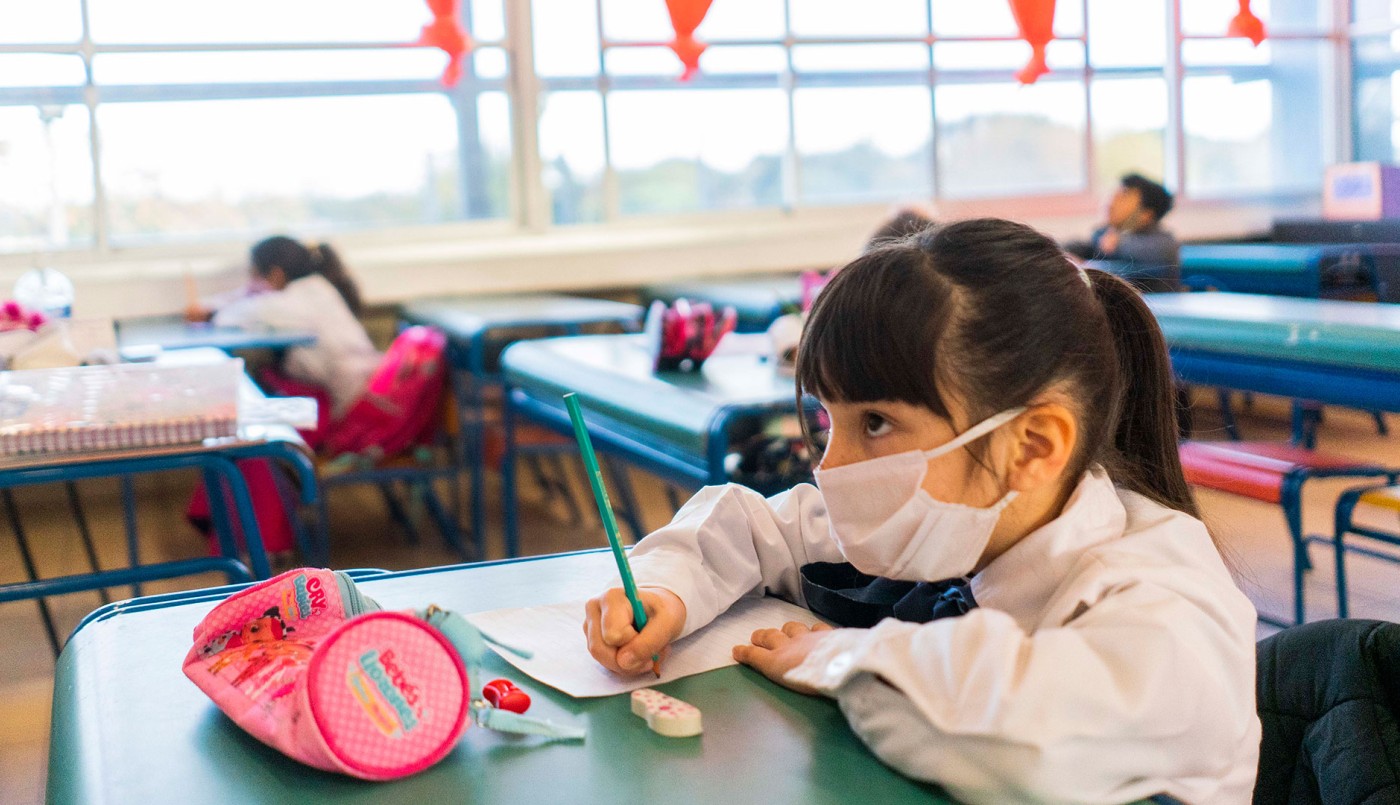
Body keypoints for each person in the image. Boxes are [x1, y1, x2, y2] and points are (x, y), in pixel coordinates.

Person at [583, 219, 1258, 804]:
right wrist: (666, 585)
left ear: (1032, 445)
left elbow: (1019, 733)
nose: (832, 466)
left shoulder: (1167, 605)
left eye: (876, 422)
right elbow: (760, 527)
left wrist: (831, 656)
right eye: (829, 419)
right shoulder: (961, 515)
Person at [189, 236, 377, 418]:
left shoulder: (294, 301)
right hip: (360, 386)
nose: (252, 284)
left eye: (255, 275)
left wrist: (210, 311)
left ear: (276, 275)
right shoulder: (315, 288)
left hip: (352, 403)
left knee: (262, 380)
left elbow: (232, 316)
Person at [1066, 173, 1180, 291]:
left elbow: (1160, 250)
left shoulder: (1163, 244)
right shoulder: (1104, 235)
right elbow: (1087, 248)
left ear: (1146, 214)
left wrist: (1118, 243)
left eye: (1124, 195)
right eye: (1115, 193)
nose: (1112, 200)